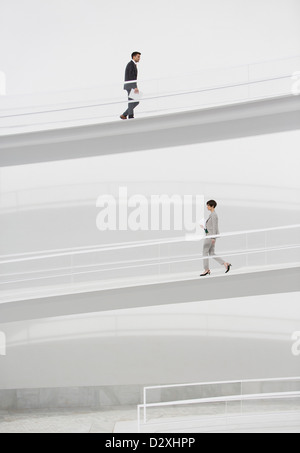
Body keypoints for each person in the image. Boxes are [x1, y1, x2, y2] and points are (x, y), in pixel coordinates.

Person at [200, 200, 232, 276]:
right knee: (211, 253)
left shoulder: (214, 215)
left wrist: (213, 238)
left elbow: (215, 227)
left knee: (205, 252)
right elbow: (211, 227)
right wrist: (204, 227)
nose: (207, 207)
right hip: (211, 236)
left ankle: (206, 269)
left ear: (212, 206)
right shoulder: (212, 215)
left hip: (210, 236)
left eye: (208, 205)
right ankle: (225, 263)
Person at [120, 52, 141, 120]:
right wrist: (135, 87)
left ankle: (124, 115)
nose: (139, 58)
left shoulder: (133, 65)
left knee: (136, 101)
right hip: (130, 86)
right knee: (132, 101)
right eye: (138, 57)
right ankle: (130, 116)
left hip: (131, 85)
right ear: (133, 57)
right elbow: (131, 77)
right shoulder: (130, 64)